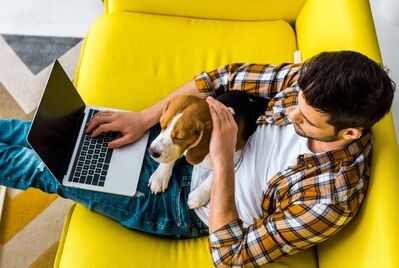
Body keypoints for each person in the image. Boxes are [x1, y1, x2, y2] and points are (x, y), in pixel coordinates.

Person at [0, 51, 395, 267]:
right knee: (57, 132)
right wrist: (144, 119)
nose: (292, 115)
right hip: (184, 144)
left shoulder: (329, 198)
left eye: (306, 120)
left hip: (182, 206)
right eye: (297, 104)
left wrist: (222, 162)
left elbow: (231, 255)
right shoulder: (310, 86)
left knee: (46, 165)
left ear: (350, 134)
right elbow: (218, 79)